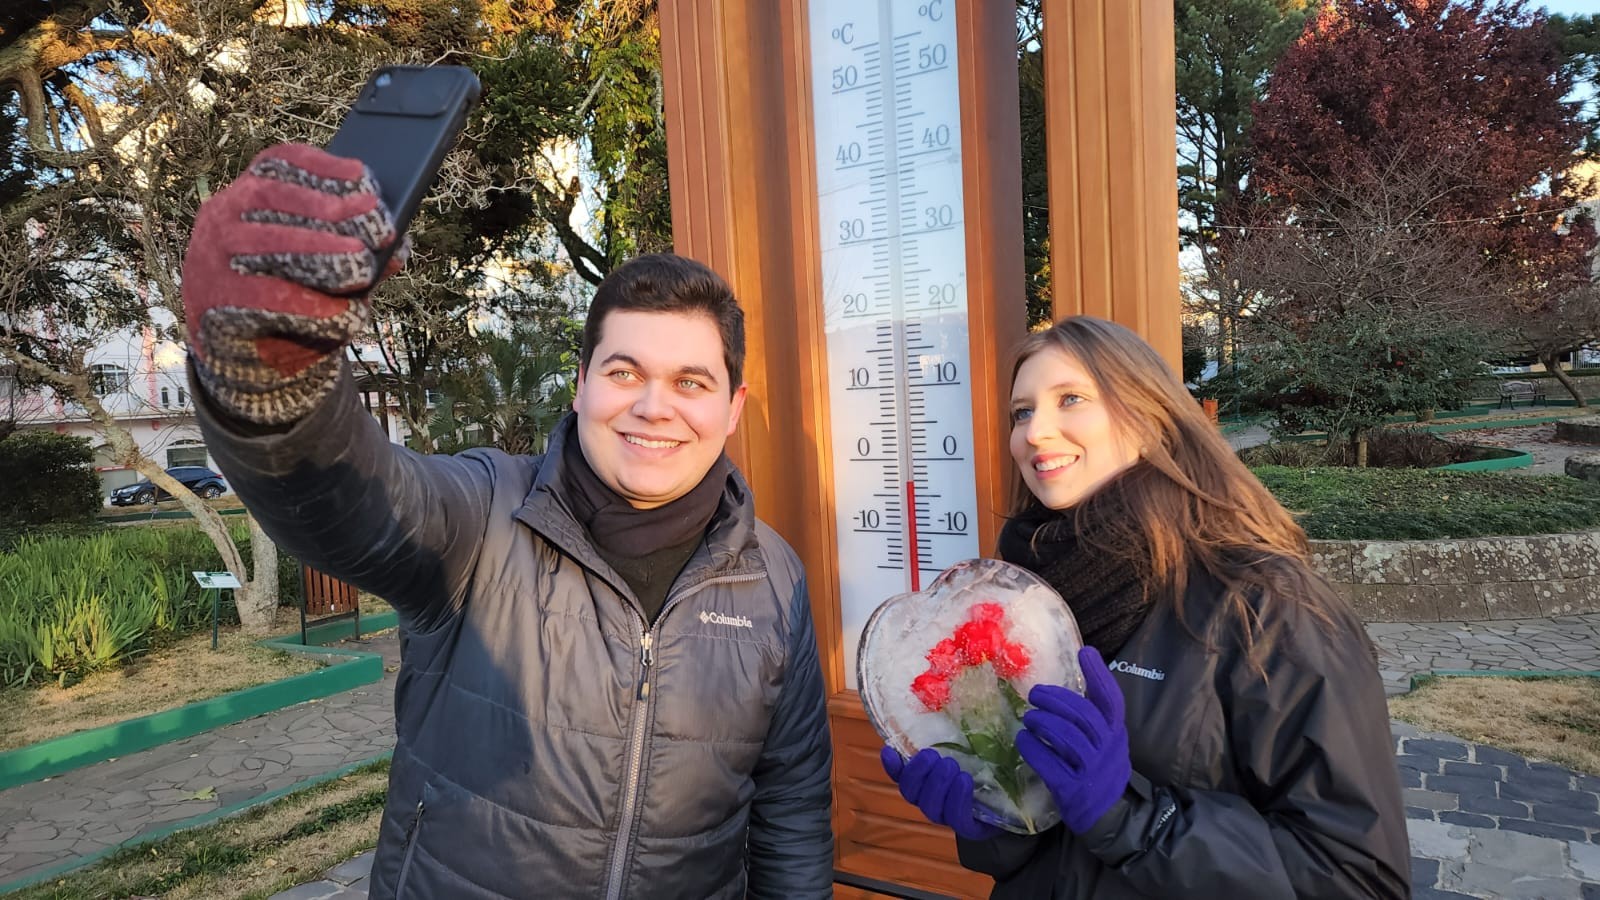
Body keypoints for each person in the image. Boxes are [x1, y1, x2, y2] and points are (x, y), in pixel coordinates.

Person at [180, 143, 833, 899]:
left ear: (731, 407)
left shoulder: (773, 576)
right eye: (625, 373)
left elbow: (790, 811)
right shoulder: (485, 514)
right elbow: (350, 503)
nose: (655, 406)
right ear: (582, 383)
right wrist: (265, 371)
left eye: (691, 381)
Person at [879, 316, 1410, 898]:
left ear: (1149, 417)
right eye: (1022, 412)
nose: (1034, 432)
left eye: (1071, 399)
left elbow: (1358, 879)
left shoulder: (1265, 605)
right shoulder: (1019, 600)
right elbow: (1048, 849)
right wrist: (1002, 817)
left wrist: (1136, 820)